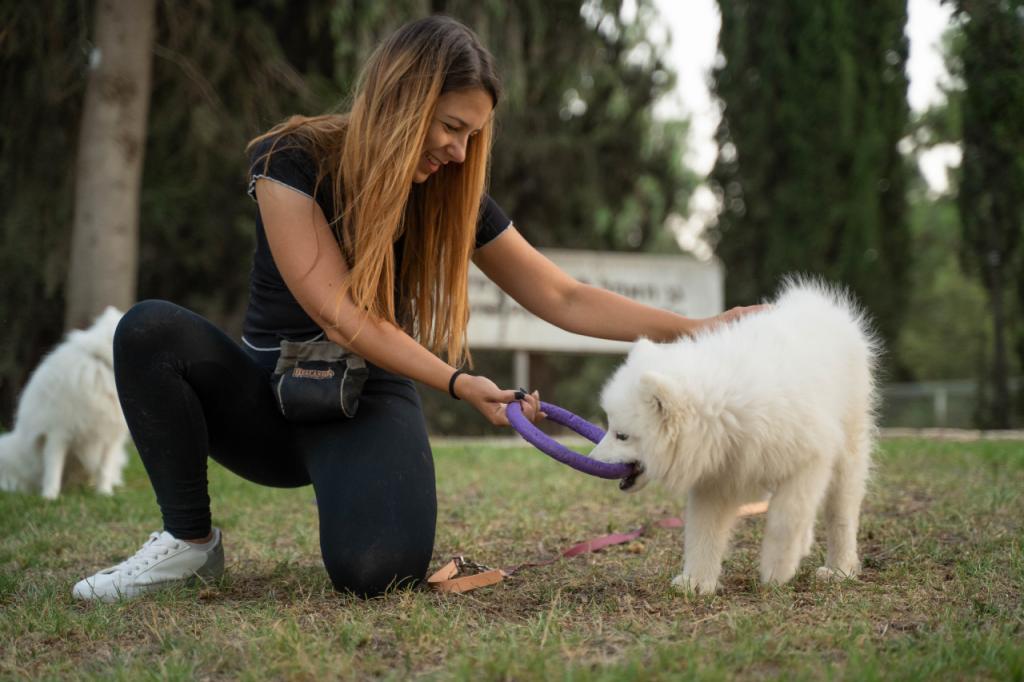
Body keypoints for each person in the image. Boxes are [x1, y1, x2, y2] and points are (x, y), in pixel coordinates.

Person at [72, 15, 763, 602]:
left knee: (376, 572)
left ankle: (353, 496)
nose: (460, 152)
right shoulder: (288, 161)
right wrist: (460, 383)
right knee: (148, 330)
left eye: (473, 136)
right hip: (270, 396)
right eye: (452, 127)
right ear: (404, 97)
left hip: (364, 398)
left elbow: (562, 295)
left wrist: (699, 329)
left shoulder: (450, 193)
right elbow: (341, 313)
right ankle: (189, 539)